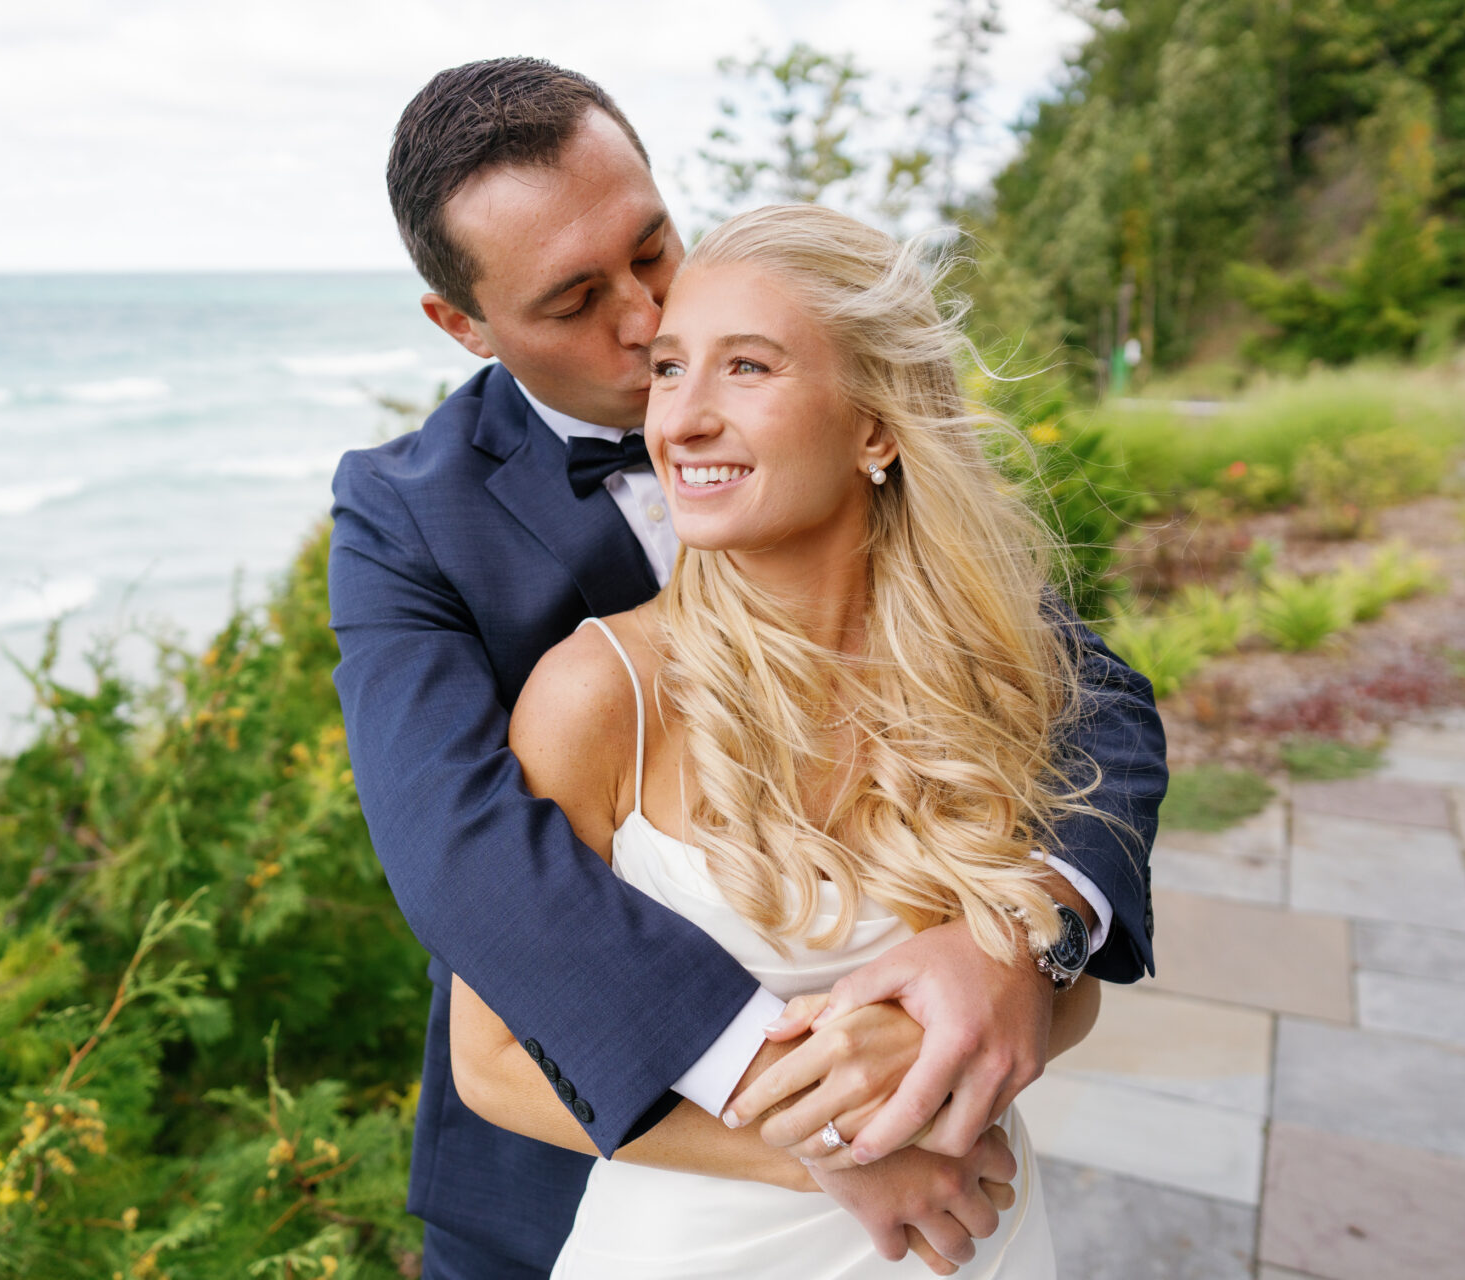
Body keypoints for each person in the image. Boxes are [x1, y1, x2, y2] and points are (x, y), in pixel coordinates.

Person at [328, 57, 1165, 1280]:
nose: (644, 318)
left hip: (958, 1197)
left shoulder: (839, 427)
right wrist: (814, 1119)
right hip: (577, 1167)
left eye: (651, 247)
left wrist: (1020, 945)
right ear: (463, 325)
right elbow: (454, 846)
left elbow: (1091, 696)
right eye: (572, 300)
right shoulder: (408, 517)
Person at [450, 199, 1106, 1277]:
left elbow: (1067, 994)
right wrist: (830, 1149)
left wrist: (1008, 989)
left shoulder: (996, 664)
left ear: (876, 425)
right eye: (669, 369)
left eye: (746, 367)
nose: (682, 418)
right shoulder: (601, 694)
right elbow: (494, 1060)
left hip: (983, 1240)